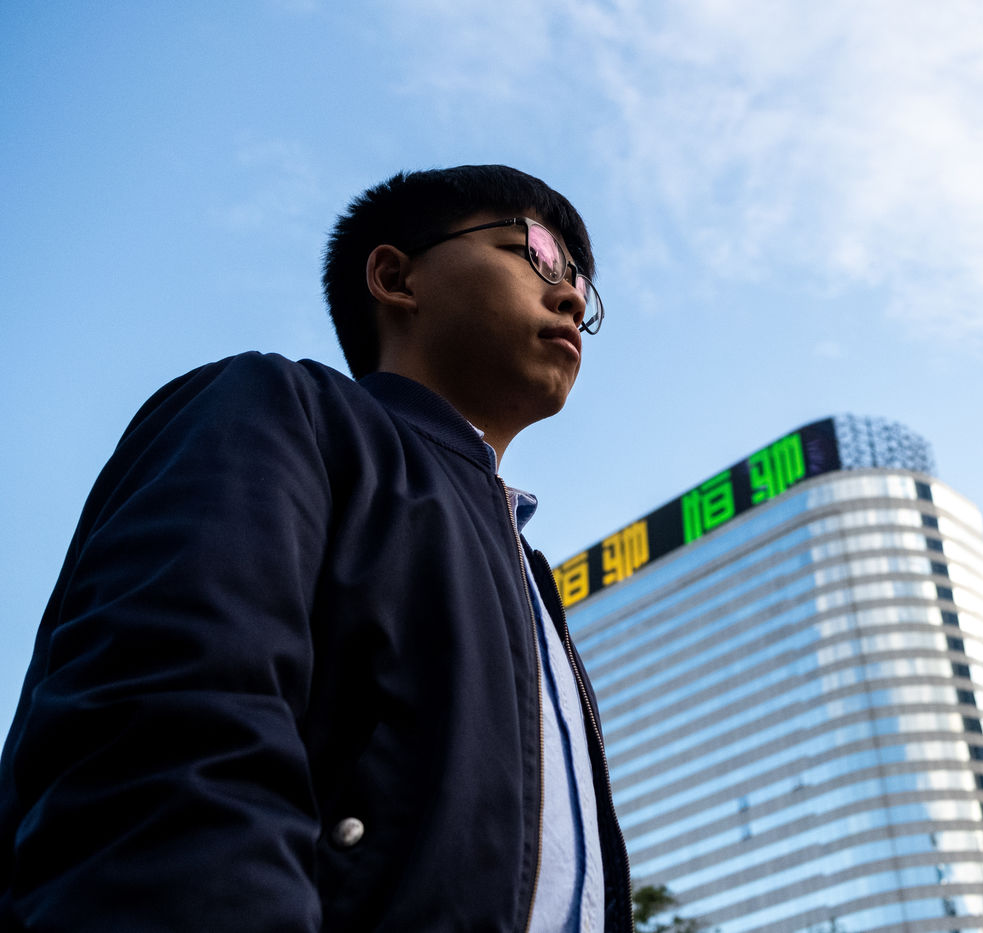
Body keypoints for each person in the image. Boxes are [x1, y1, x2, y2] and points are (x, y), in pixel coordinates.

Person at [0, 165, 631, 932]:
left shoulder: (531, 578)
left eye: (581, 284)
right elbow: (165, 741)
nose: (571, 297)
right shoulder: (280, 412)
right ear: (395, 277)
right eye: (536, 253)